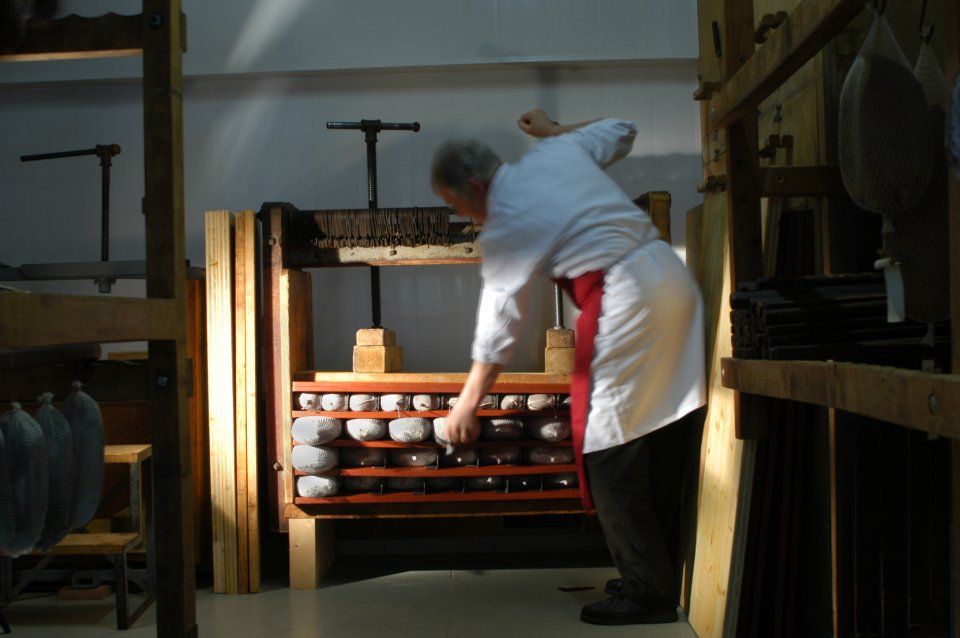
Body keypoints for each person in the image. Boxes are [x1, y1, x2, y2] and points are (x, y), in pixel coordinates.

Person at [431, 109, 706, 625]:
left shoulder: (507, 221)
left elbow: (498, 328)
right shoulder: (555, 153)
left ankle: (647, 590)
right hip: (671, 280)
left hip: (626, 297)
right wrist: (557, 131)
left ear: (473, 185)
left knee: (606, 441)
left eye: (457, 205)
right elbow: (623, 127)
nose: (466, 218)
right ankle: (663, 568)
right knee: (663, 421)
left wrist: (467, 404)